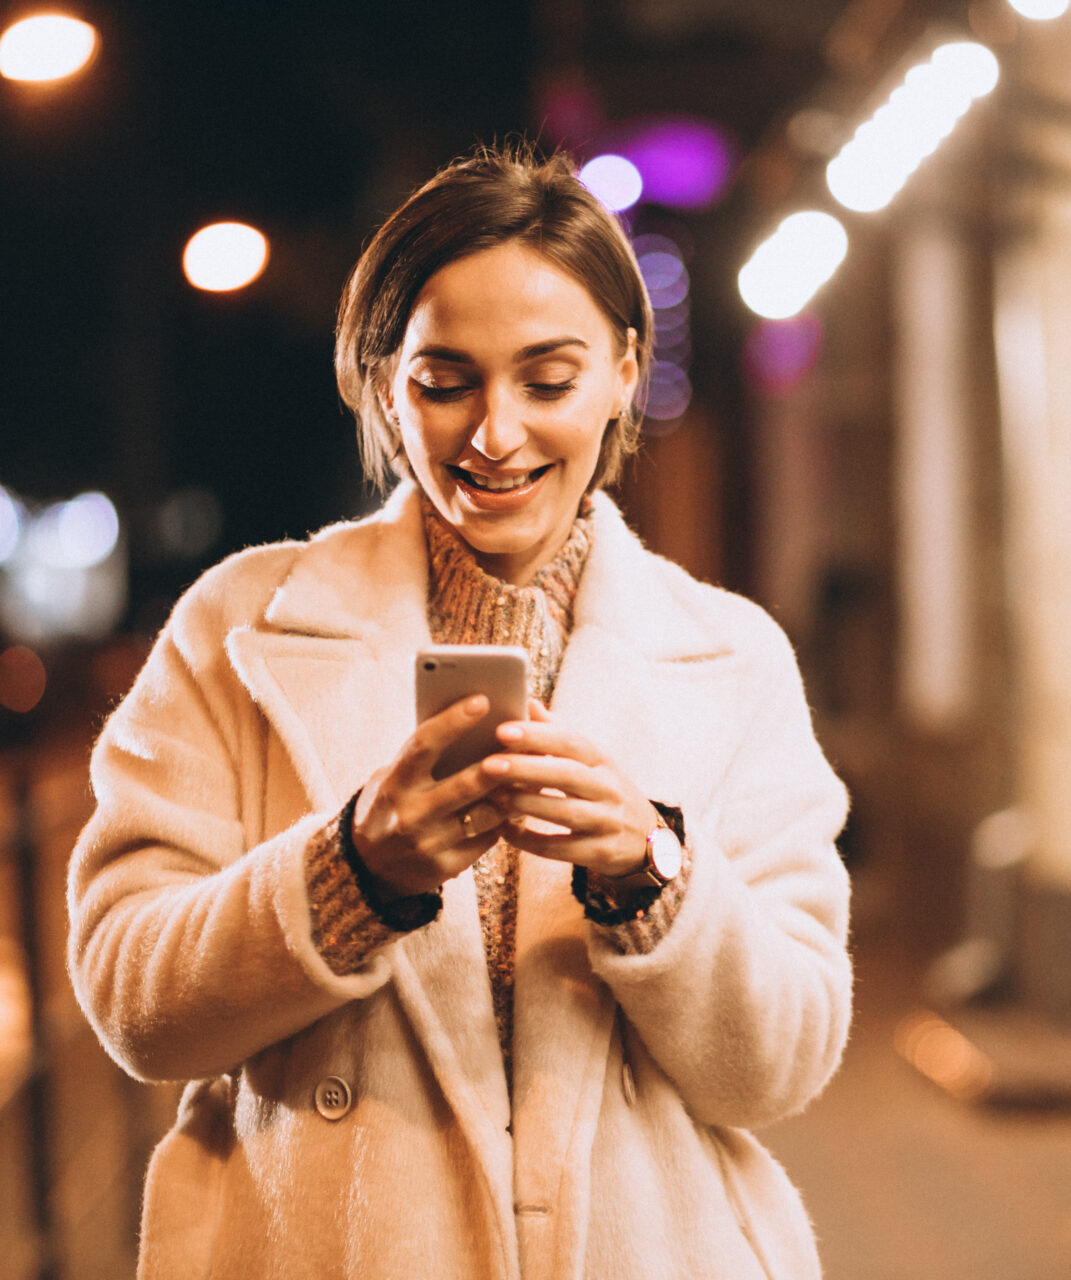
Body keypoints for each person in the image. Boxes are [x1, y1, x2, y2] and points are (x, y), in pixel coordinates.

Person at [68, 144, 852, 1280]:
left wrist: (649, 873)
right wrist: (349, 872)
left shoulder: (730, 656)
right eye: (446, 381)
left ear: (627, 370)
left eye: (549, 378)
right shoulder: (239, 627)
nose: (495, 434)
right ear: (386, 381)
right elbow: (135, 1003)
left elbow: (780, 1064)